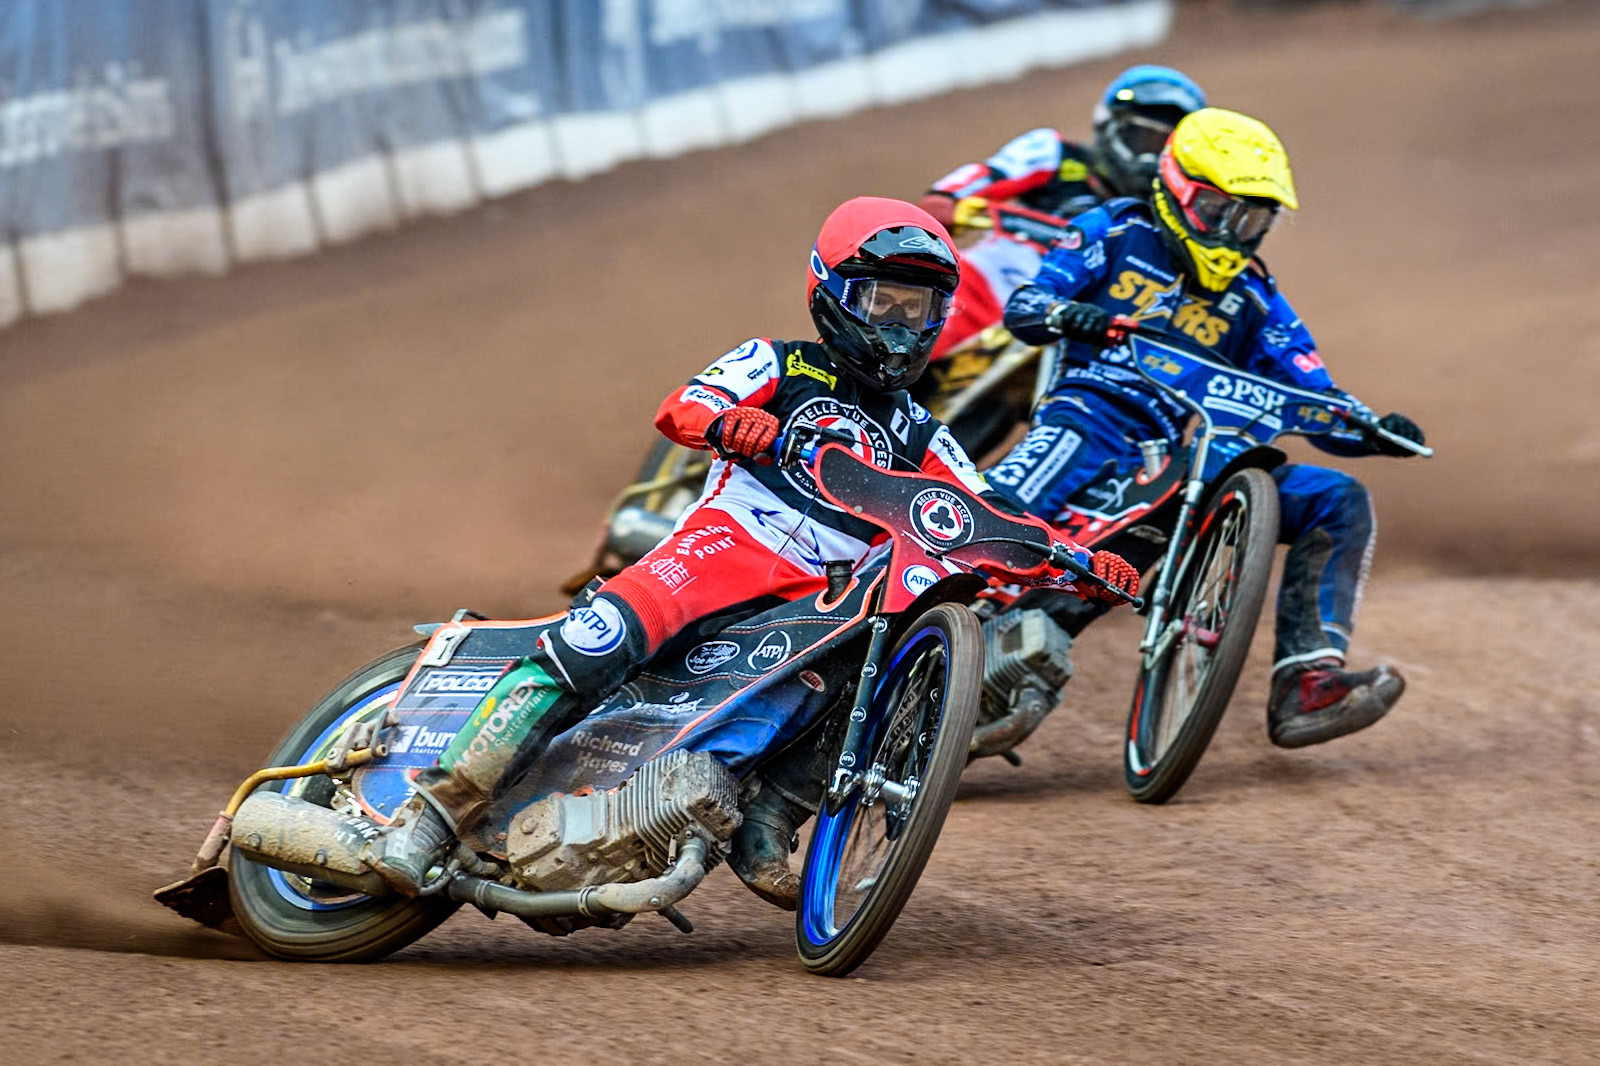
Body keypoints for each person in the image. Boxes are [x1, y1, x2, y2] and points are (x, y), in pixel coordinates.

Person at [376, 197, 1141, 907]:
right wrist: (735, 425)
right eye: (886, 302)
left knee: (865, 668)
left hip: (820, 593)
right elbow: (686, 405)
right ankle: (431, 816)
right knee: (592, 640)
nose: (906, 325)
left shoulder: (923, 430)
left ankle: (767, 819)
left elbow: (984, 509)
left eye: (923, 307)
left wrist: (1073, 556)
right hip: (727, 543)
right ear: (835, 293)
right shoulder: (780, 362)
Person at [989, 108, 1427, 749]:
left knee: (1338, 499)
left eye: (1252, 218)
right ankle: (867, 633)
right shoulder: (1115, 231)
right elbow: (1025, 307)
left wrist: (1369, 425)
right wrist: (1073, 315)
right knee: (983, 521)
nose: (1234, 231)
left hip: (1184, 459)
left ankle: (1307, 683)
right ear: (1178, 189)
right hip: (1088, 417)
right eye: (1221, 210)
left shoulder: (1254, 297)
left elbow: (1313, 395)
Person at [918, 65, 1208, 357]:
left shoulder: (1166, 211)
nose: (1147, 158)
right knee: (931, 304)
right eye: (1142, 139)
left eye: (1162, 148)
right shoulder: (1055, 153)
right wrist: (947, 200)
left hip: (1071, 323)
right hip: (985, 291)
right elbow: (985, 177)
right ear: (1108, 126)